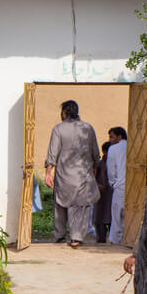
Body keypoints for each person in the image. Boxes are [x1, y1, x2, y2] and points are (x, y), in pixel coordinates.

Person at [44, 100, 101, 248]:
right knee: (80, 207)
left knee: (60, 205)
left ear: (64, 112)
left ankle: (59, 235)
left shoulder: (58, 129)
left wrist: (48, 173)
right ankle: (76, 237)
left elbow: (52, 152)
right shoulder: (88, 128)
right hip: (83, 175)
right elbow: (96, 153)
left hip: (63, 175)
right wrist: (94, 169)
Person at [107, 126, 128, 245]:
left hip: (119, 185)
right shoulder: (133, 146)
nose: (110, 140)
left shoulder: (114, 149)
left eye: (112, 137)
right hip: (135, 186)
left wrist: (113, 182)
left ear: (119, 137)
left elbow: (111, 169)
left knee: (117, 216)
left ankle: (115, 241)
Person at [93, 141, 113, 244]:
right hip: (101, 193)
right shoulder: (100, 164)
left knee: (110, 217)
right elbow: (94, 176)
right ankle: (101, 238)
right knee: (100, 217)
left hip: (110, 192)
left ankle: (112, 238)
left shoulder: (111, 163)